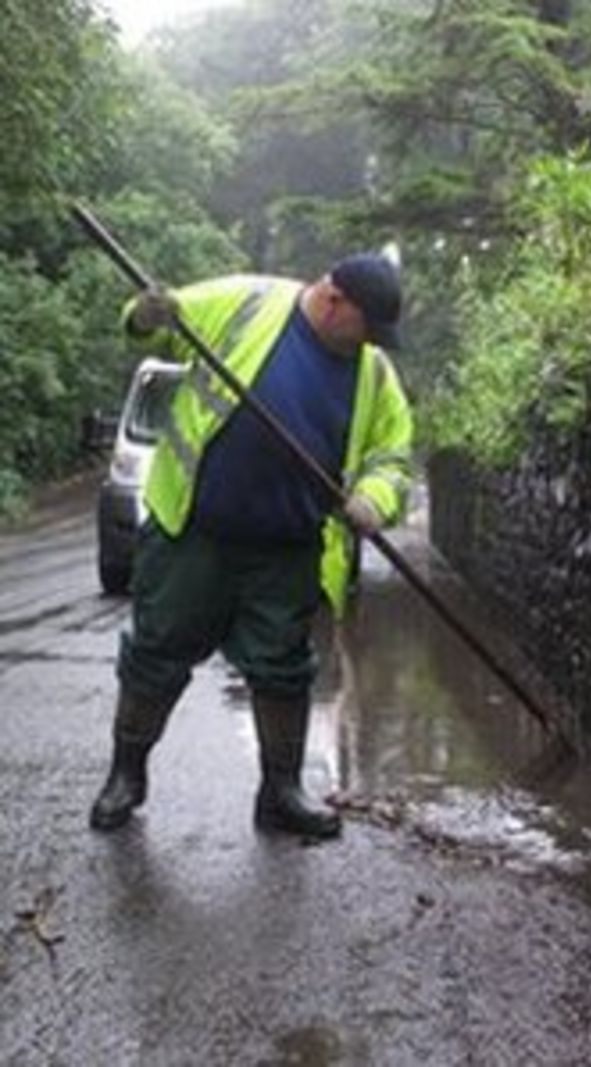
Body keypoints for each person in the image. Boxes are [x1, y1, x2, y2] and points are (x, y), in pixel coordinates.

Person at [89, 253, 413, 839]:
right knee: (156, 655)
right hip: (194, 533)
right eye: (365, 326)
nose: (370, 343)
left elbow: (393, 455)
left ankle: (281, 792)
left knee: (284, 669)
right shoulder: (245, 302)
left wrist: (373, 497)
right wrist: (144, 314)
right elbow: (160, 322)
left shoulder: (373, 371)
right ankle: (125, 775)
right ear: (334, 299)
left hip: (287, 549)